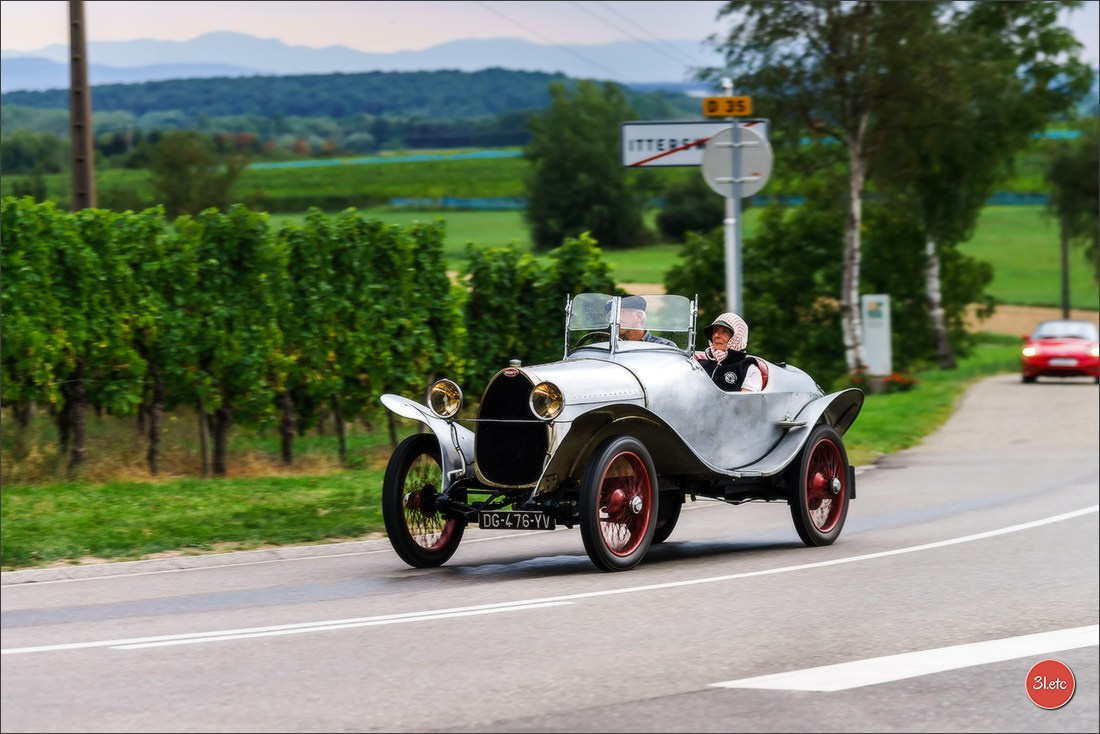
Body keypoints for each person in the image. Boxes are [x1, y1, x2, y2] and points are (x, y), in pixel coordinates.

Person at [695, 312, 763, 392]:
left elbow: (747, 402)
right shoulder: (699, 366)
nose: (716, 335)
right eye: (715, 331)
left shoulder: (747, 369)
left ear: (737, 338)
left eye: (724, 332)